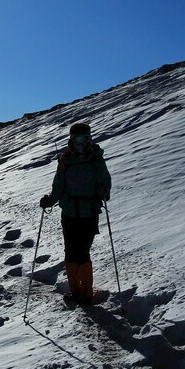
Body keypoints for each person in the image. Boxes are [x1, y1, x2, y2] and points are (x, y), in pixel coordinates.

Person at [40, 123, 111, 304]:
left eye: (84, 138)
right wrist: (50, 199)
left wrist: (104, 190)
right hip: (71, 213)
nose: (80, 142)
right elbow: (58, 185)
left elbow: (105, 179)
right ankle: (77, 292)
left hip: (88, 212)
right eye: (77, 138)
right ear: (71, 139)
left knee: (82, 251)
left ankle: (84, 293)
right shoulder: (65, 161)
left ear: (89, 138)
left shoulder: (96, 159)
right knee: (71, 252)